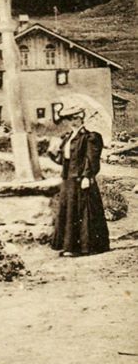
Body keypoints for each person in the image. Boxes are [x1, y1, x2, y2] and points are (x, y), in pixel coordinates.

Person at [49, 106, 109, 256]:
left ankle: (85, 247)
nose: (71, 121)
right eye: (68, 119)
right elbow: (63, 161)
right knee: (69, 211)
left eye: (74, 118)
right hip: (68, 179)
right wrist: (52, 152)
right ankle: (69, 246)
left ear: (81, 118)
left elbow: (91, 158)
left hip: (81, 178)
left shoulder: (90, 137)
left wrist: (87, 176)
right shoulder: (67, 137)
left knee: (83, 211)